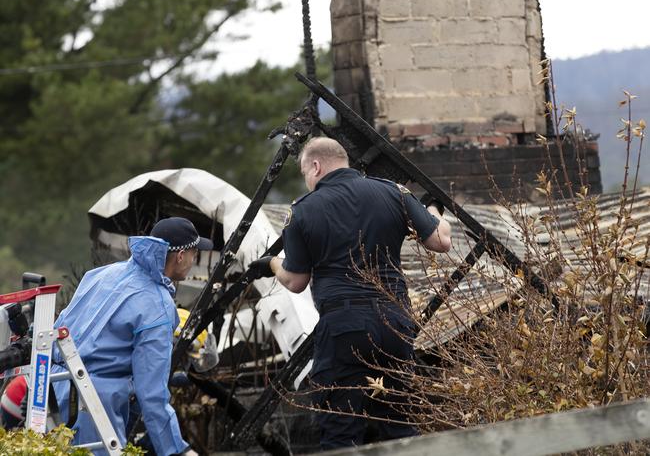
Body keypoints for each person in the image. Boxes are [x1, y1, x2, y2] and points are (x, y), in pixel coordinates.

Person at [249, 137, 452, 450]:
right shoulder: (393, 192)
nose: (307, 180)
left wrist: (272, 263)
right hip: (395, 324)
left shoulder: (304, 210)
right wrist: (436, 210)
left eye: (305, 172)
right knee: (398, 423)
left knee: (339, 430)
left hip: (345, 327)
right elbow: (440, 241)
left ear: (316, 166)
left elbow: (296, 281)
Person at [53, 216, 212, 456]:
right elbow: (152, 395)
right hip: (93, 408)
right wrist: (178, 450)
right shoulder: (157, 306)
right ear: (180, 257)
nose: (194, 260)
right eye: (193, 254)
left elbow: (62, 326)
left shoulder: (100, 275)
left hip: (49, 391)